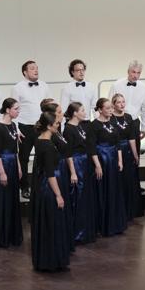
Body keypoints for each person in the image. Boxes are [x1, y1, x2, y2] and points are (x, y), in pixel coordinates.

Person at [30, 111, 70, 272]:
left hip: (43, 185)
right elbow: (50, 172)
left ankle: (48, 259)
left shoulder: (42, 140)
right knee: (52, 224)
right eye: (56, 124)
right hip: (48, 187)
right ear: (48, 125)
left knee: (48, 223)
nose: (58, 125)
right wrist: (59, 195)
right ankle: (51, 260)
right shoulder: (46, 145)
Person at [40, 100, 77, 252]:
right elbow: (48, 169)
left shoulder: (56, 132)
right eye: (60, 112)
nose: (63, 115)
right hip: (54, 175)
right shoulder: (48, 140)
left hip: (59, 172)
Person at [13, 60, 52, 198]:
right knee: (23, 158)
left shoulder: (44, 85)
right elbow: (14, 109)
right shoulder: (18, 87)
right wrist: (16, 128)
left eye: (36, 68)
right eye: (32, 68)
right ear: (25, 72)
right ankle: (24, 186)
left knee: (43, 156)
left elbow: (49, 106)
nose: (36, 70)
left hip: (41, 126)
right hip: (25, 126)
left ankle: (42, 184)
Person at [0, 98, 23, 248]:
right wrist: (2, 173)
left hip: (13, 164)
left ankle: (11, 234)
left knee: (12, 199)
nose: (18, 111)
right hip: (3, 165)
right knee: (1, 201)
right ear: (7, 110)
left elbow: (15, 150)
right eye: (16, 109)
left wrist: (19, 167)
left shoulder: (13, 125)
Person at [90, 98, 127, 236]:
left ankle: (115, 223)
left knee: (114, 190)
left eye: (111, 108)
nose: (111, 110)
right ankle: (103, 225)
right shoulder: (94, 125)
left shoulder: (113, 123)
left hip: (113, 159)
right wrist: (97, 165)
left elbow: (117, 143)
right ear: (100, 109)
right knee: (103, 191)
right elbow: (92, 147)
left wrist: (120, 161)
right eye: (107, 108)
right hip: (102, 159)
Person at [63, 102, 97, 244]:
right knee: (78, 196)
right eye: (82, 110)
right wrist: (73, 172)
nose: (85, 112)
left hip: (85, 163)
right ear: (75, 113)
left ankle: (87, 230)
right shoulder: (68, 130)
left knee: (86, 197)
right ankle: (78, 233)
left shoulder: (83, 126)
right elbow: (68, 153)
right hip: (76, 164)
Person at [111, 93, 143, 220]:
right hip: (116, 151)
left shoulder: (129, 117)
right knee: (119, 179)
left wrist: (135, 155)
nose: (122, 104)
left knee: (130, 179)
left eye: (123, 102)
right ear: (113, 104)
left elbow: (132, 138)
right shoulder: (111, 118)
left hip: (128, 151)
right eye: (119, 102)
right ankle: (120, 210)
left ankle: (131, 209)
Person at [108, 60, 145, 155]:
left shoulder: (144, 87)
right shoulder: (116, 84)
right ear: (128, 71)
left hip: (134, 122)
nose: (135, 75)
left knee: (134, 152)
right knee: (116, 150)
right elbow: (109, 104)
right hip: (117, 121)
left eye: (138, 73)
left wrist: (144, 127)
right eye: (133, 72)